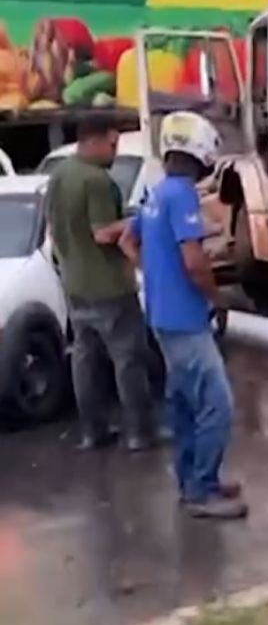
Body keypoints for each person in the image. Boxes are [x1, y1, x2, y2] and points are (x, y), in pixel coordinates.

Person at [121, 111, 247, 520]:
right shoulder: (182, 195)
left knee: (185, 405)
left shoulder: (157, 194)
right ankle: (202, 489)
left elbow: (127, 240)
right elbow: (194, 261)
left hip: (161, 316)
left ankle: (190, 480)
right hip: (186, 320)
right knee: (217, 405)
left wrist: (155, 273)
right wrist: (219, 296)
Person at [46, 113, 157, 451]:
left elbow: (53, 230)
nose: (114, 150)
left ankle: (93, 432)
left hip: (75, 286)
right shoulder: (96, 181)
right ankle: (140, 433)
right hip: (110, 287)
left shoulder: (59, 174)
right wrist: (138, 221)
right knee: (129, 360)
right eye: (112, 143)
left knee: (85, 361)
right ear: (94, 140)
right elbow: (103, 232)